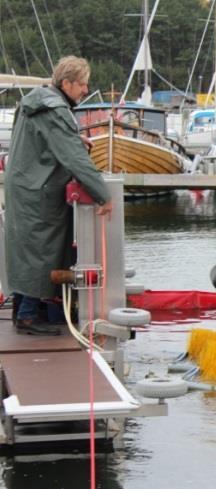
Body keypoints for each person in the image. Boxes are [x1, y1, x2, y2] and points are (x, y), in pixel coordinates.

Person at [4, 56, 112, 336]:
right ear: (66, 83)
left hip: (24, 187)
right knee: (43, 251)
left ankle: (25, 309)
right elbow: (73, 158)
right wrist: (103, 195)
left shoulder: (35, 102)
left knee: (29, 249)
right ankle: (28, 316)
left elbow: (44, 142)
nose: (85, 91)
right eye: (82, 85)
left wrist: (74, 139)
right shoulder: (54, 108)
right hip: (39, 192)